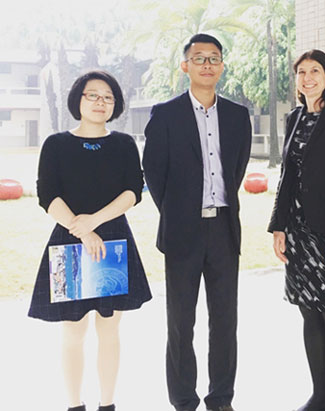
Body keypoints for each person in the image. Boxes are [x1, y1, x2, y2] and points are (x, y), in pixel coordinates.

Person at [28, 70, 152, 411]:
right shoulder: (56, 144)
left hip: (113, 241)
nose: (101, 102)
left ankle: (107, 404)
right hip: (69, 239)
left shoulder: (124, 144)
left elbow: (133, 190)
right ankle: (74, 405)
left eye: (108, 97)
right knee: (73, 330)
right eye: (93, 95)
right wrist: (81, 229)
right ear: (78, 100)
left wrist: (94, 222)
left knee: (110, 329)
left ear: (116, 105)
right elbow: (47, 194)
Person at [143, 33, 251, 411]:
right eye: (199, 57)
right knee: (180, 323)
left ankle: (221, 398)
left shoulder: (237, 116)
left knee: (225, 322)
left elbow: (236, 169)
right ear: (185, 66)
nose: (207, 64)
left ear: (222, 66)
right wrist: (178, 211)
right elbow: (154, 172)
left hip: (223, 229)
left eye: (214, 58)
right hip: (182, 231)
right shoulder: (165, 114)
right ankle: (184, 400)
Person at [268, 49, 325, 411]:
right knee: (308, 311)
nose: (307, 78)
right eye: (301, 72)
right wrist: (279, 227)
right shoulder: (295, 117)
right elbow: (287, 177)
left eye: (315, 71)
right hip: (298, 233)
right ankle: (319, 393)